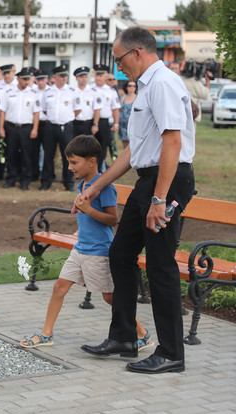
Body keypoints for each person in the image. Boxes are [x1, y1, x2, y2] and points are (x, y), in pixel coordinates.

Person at [80, 26, 195, 375]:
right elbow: (132, 152)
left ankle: (172, 352)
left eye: (119, 60)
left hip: (167, 182)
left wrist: (160, 198)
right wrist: (97, 186)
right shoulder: (147, 88)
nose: (119, 69)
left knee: (160, 264)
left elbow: (172, 143)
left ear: (138, 53)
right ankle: (125, 337)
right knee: (121, 253)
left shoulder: (162, 84)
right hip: (150, 180)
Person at [20, 135, 153, 351]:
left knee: (110, 298)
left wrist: (89, 210)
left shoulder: (106, 188)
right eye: (69, 162)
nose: (70, 167)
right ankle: (46, 334)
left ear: (91, 161)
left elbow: (112, 219)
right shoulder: (82, 185)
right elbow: (87, 218)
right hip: (80, 249)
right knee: (58, 288)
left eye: (74, 162)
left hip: (99, 252)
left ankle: (143, 334)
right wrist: (80, 229)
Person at [0, 67, 39, 190]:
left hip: (26, 128)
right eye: (24, 79)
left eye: (28, 79)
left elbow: (36, 113)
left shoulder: (33, 94)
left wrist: (35, 129)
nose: (27, 82)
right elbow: (2, 111)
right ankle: (11, 178)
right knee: (11, 154)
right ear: (18, 79)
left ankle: (25, 180)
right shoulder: (9, 93)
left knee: (26, 155)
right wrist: (1, 128)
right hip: (11, 127)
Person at [40, 65, 78, 191]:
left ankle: (68, 183)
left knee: (67, 155)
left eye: (65, 76)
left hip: (66, 127)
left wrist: (66, 119)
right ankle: (46, 181)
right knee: (48, 155)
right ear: (54, 77)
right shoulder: (48, 92)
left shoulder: (72, 91)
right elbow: (44, 110)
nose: (64, 78)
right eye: (61, 76)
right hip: (51, 127)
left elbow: (77, 110)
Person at [91, 65, 120, 171]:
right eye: (97, 75)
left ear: (105, 76)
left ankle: (98, 170)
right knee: (88, 147)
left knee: (102, 147)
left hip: (104, 122)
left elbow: (115, 108)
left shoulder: (110, 91)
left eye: (101, 75)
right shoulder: (89, 88)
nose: (98, 78)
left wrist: (116, 123)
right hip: (90, 121)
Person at [72, 66, 97, 136]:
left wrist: (95, 124)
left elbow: (97, 109)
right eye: (81, 77)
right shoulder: (72, 91)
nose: (84, 79)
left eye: (85, 77)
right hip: (74, 123)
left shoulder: (93, 91)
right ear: (76, 78)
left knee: (87, 146)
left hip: (88, 124)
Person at [118, 80, 137, 149]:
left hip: (133, 125)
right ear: (126, 87)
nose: (132, 87)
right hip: (122, 124)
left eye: (134, 86)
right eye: (130, 86)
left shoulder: (138, 98)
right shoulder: (122, 98)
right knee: (125, 146)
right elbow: (118, 110)